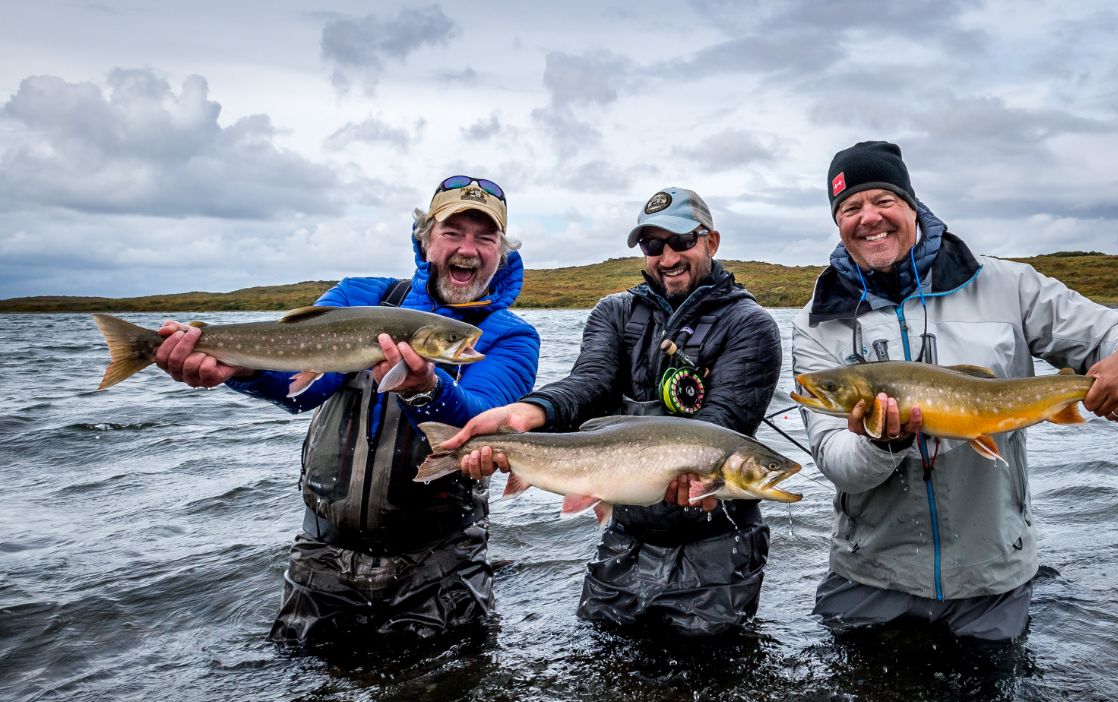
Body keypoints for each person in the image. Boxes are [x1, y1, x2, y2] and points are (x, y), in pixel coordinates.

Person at [792, 141, 1118, 642]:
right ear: (837, 221)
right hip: (868, 578)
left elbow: (1112, 333)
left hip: (992, 579)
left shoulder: (1006, 284)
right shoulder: (819, 321)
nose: (869, 217)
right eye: (850, 208)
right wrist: (883, 443)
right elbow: (838, 463)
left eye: (883, 200)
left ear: (911, 205)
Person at [154, 175, 540, 646]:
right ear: (425, 240)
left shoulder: (508, 335)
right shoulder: (361, 296)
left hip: (442, 559)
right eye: (452, 233)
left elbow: (482, 419)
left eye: (486, 237)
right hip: (323, 556)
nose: (468, 249)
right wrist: (241, 371)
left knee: (446, 695)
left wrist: (425, 388)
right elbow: (302, 389)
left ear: (502, 252)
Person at [442, 187, 783, 636]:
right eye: (653, 246)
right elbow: (590, 383)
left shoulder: (750, 325)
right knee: (602, 660)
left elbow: (720, 428)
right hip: (627, 533)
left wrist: (695, 478)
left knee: (708, 672)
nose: (667, 257)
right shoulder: (615, 312)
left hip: (717, 540)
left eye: (681, 241)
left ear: (711, 243)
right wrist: (526, 414)